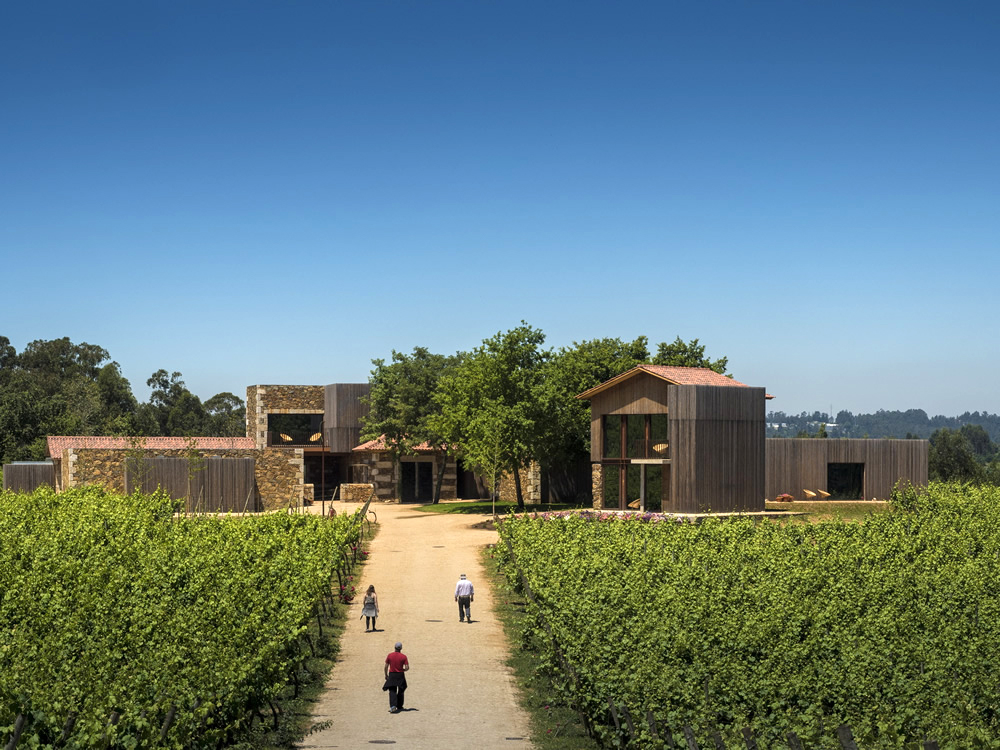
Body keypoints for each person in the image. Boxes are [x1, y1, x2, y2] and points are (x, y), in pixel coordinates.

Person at [382, 641, 409, 713]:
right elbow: (407, 668)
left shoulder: (390, 655)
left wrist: (386, 675)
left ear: (395, 647)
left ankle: (393, 706)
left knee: (392, 690)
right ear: (401, 648)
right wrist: (402, 670)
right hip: (400, 675)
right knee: (401, 689)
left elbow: (386, 666)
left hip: (392, 674)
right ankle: (399, 705)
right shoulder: (404, 657)